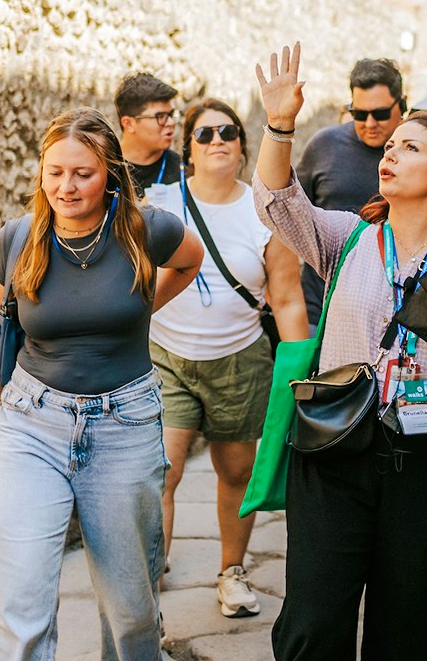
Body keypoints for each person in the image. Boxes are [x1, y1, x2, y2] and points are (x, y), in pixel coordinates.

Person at [253, 43, 427, 660]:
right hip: (334, 446)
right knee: (313, 621)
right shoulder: (345, 236)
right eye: (389, 147)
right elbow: (276, 201)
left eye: (409, 146)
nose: (389, 153)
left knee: (413, 628)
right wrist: (280, 125)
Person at [0, 108, 203, 660]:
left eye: (82, 173)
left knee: (131, 611)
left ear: (110, 174)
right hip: (31, 422)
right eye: (55, 172)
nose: (66, 187)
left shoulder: (147, 229)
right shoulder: (17, 239)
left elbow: (190, 261)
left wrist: (142, 306)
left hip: (124, 424)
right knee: (19, 604)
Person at [144, 98, 308, 619]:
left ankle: (231, 571)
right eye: (205, 134)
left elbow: (285, 298)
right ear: (187, 150)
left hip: (239, 362)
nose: (218, 141)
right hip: (166, 356)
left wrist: (300, 373)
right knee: (161, 470)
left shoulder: (264, 213)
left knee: (236, 471)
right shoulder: (160, 203)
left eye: (228, 133)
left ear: (242, 145)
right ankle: (152, 575)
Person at [293, 58, 406, 325]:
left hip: (391, 313)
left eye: (379, 114)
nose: (369, 123)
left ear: (401, 104)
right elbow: (291, 212)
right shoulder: (324, 145)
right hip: (320, 308)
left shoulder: (418, 152)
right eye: (359, 113)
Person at [115, 72, 183, 195]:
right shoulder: (104, 169)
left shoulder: (183, 172)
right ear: (129, 124)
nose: (171, 123)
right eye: (160, 116)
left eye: (171, 115)